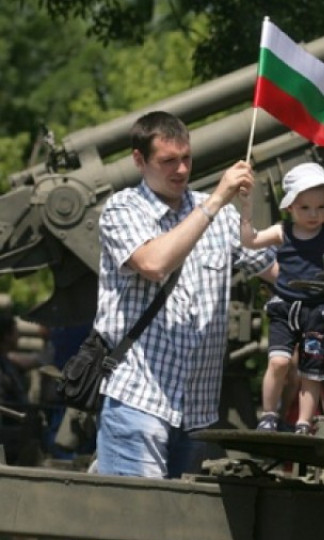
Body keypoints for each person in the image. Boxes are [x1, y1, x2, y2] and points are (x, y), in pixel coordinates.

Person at [94, 111, 278, 478]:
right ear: (139, 160)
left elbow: (279, 273)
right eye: (168, 161)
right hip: (137, 403)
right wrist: (214, 203)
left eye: (186, 159)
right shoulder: (122, 209)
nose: (180, 170)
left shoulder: (222, 219)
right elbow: (154, 263)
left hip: (198, 415)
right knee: (138, 526)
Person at [240, 162, 324, 435]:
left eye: (321, 207)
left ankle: (303, 423)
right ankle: (268, 415)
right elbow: (250, 241)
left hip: (317, 311)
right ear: (290, 207)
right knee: (278, 362)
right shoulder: (282, 231)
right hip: (285, 308)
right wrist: (246, 208)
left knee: (312, 373)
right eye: (305, 208)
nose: (314, 214)